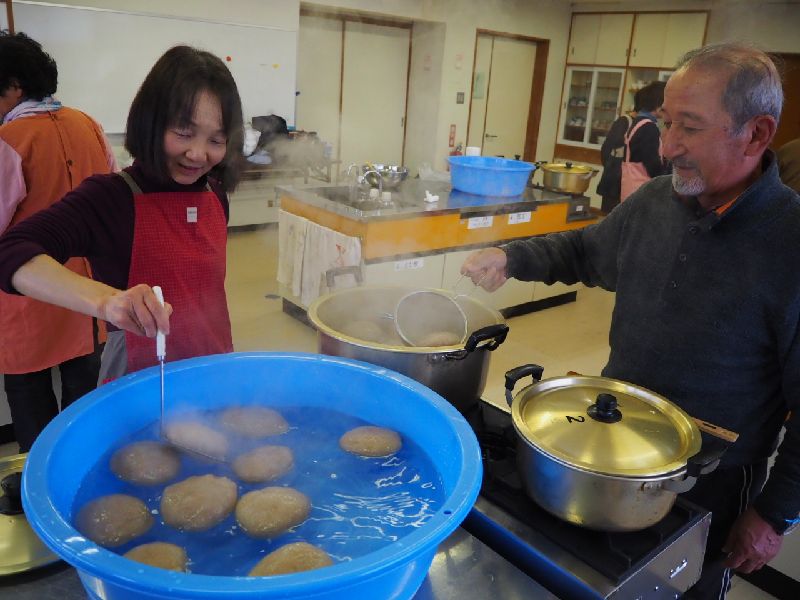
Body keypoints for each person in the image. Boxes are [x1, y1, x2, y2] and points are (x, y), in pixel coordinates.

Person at [461, 42, 799, 599]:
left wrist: (774, 514)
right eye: (667, 123)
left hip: (707, 483)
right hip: (606, 446)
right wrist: (511, 257)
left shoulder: (790, 244)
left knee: (682, 588)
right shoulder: (657, 203)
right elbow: (585, 250)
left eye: (689, 128)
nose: (667, 148)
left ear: (757, 134)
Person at [0, 45, 244, 382]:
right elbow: (12, 251)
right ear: (151, 122)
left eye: (216, 140)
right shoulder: (112, 197)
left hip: (212, 367)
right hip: (137, 376)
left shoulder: (215, 193)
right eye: (184, 133)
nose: (198, 154)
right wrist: (106, 302)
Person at [0, 31, 117, 452]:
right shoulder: (90, 126)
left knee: (28, 391)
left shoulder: (7, 142)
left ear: (13, 87)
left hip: (27, 292)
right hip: (85, 293)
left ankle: (37, 481)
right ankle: (80, 467)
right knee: (85, 391)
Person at [597, 81, 668, 213]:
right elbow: (652, 163)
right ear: (659, 105)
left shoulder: (638, 122)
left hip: (628, 187)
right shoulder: (648, 127)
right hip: (639, 189)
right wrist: (665, 178)